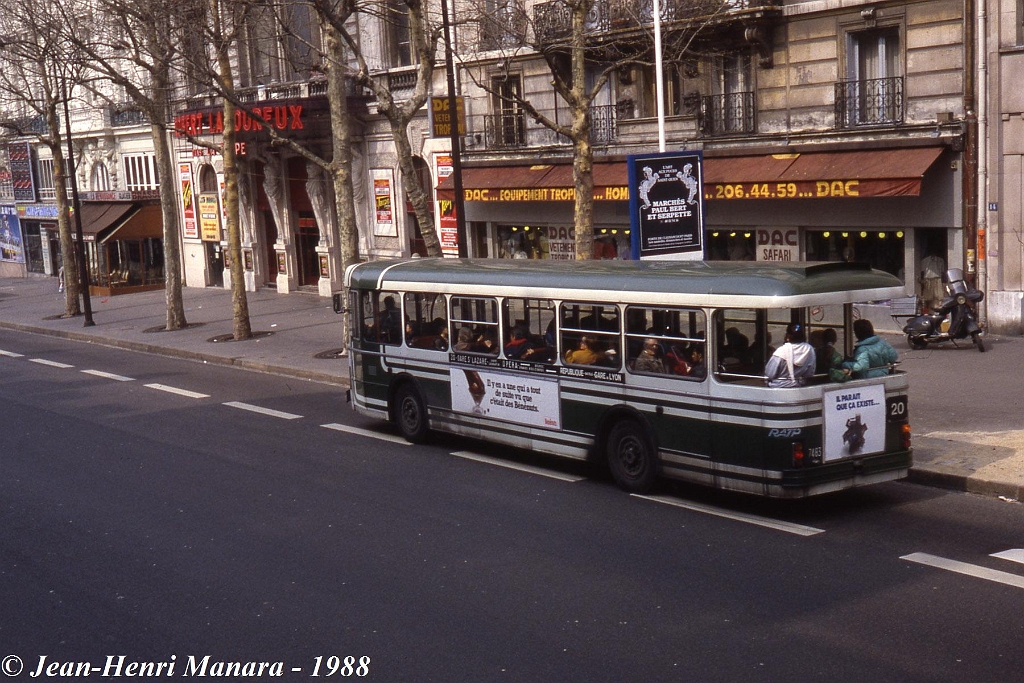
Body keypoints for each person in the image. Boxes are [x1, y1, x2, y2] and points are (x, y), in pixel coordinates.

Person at [764, 323, 816, 387]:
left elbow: (770, 374)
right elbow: (810, 373)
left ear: (787, 336)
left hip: (778, 389)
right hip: (800, 388)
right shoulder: (810, 349)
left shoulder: (781, 351)